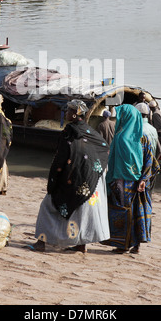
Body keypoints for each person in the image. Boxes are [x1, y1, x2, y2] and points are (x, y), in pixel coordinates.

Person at [30, 99, 110, 253]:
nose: (65, 113)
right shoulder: (90, 132)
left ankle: (41, 242)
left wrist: (53, 180)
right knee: (82, 214)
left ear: (74, 115)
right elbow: (104, 148)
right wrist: (94, 171)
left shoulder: (69, 132)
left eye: (68, 111)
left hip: (73, 180)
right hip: (89, 182)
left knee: (47, 206)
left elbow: (61, 158)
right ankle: (81, 245)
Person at [104, 104, 160, 254]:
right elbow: (151, 161)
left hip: (121, 182)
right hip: (139, 183)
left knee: (123, 212)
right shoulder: (143, 138)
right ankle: (136, 245)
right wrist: (143, 179)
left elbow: (112, 160)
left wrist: (109, 180)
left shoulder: (120, 137)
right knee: (137, 212)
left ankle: (123, 244)